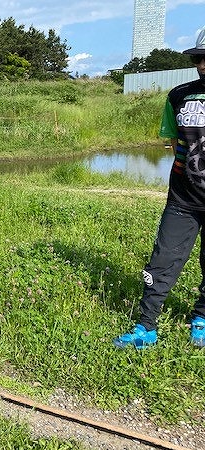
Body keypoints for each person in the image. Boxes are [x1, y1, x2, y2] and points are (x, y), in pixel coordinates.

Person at [114, 27, 205, 349]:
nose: (202, 65)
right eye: (198, 59)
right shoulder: (179, 95)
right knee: (161, 261)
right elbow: (174, 142)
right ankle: (146, 327)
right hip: (183, 199)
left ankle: (201, 318)